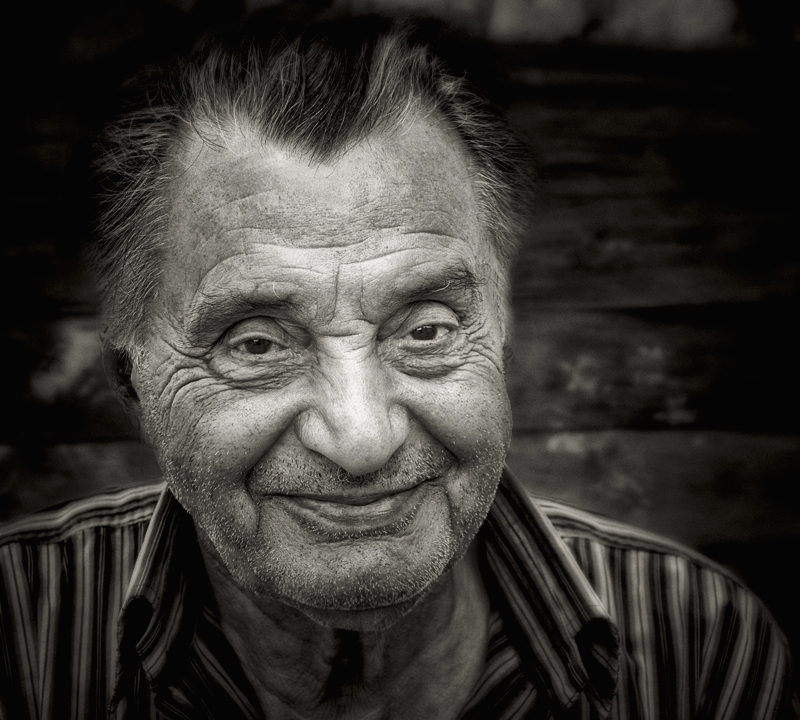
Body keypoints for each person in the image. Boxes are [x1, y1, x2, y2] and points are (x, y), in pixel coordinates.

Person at [1, 15, 796, 720]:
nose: (361, 439)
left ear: (500, 341)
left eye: (425, 330)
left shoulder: (700, 645)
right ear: (134, 384)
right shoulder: (17, 635)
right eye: (257, 345)